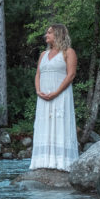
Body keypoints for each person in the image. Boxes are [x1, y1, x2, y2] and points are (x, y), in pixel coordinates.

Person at [30, 23, 79, 171]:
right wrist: (38, 91)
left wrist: (56, 93)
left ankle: (62, 162)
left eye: (49, 33)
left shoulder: (68, 52)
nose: (46, 35)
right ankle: (42, 161)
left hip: (61, 96)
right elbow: (38, 74)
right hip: (44, 97)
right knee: (43, 125)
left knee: (60, 124)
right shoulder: (43, 55)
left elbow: (71, 75)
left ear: (58, 34)